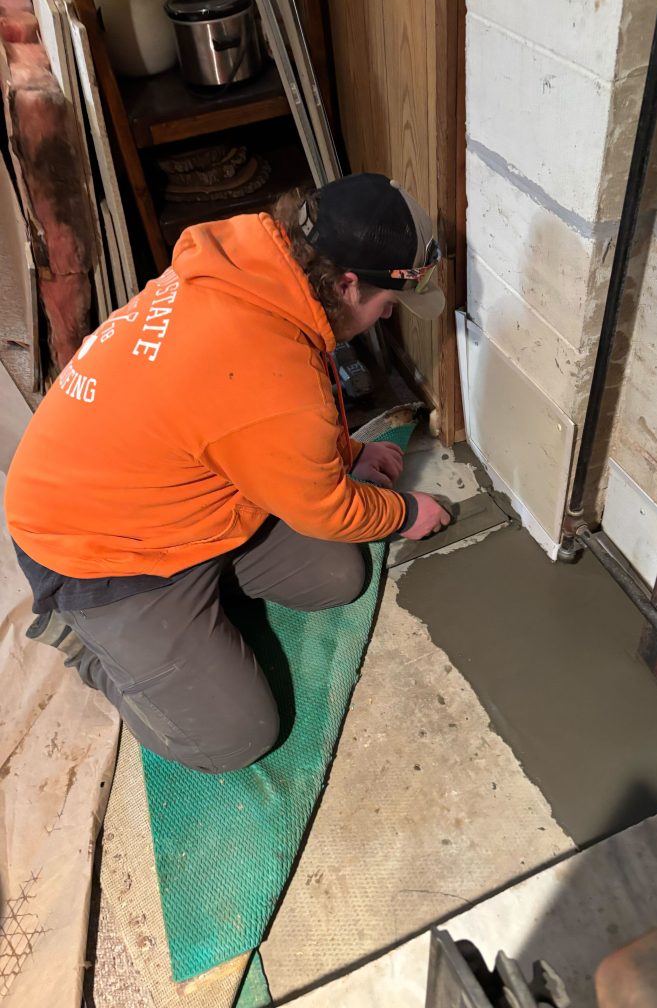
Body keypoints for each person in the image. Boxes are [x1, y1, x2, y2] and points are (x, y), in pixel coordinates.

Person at [5, 172, 451, 774]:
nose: (385, 316)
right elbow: (323, 499)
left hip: (168, 494)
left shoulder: (251, 266)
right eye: (387, 303)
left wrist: (345, 454)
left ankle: (197, 608)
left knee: (335, 574)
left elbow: (244, 419)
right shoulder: (269, 365)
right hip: (96, 549)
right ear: (347, 285)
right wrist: (405, 512)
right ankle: (92, 647)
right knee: (234, 737)